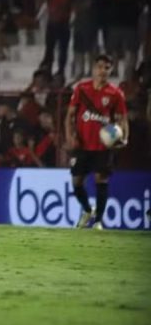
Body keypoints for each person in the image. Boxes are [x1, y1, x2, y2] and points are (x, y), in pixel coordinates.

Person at [66, 55, 129, 230]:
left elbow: (123, 119)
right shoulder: (81, 89)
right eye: (100, 67)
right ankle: (87, 210)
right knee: (76, 182)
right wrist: (70, 136)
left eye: (107, 68)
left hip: (103, 145)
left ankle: (99, 221)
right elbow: (70, 115)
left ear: (110, 71)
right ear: (94, 69)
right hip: (82, 144)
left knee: (101, 181)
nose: (103, 71)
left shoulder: (115, 93)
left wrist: (125, 137)